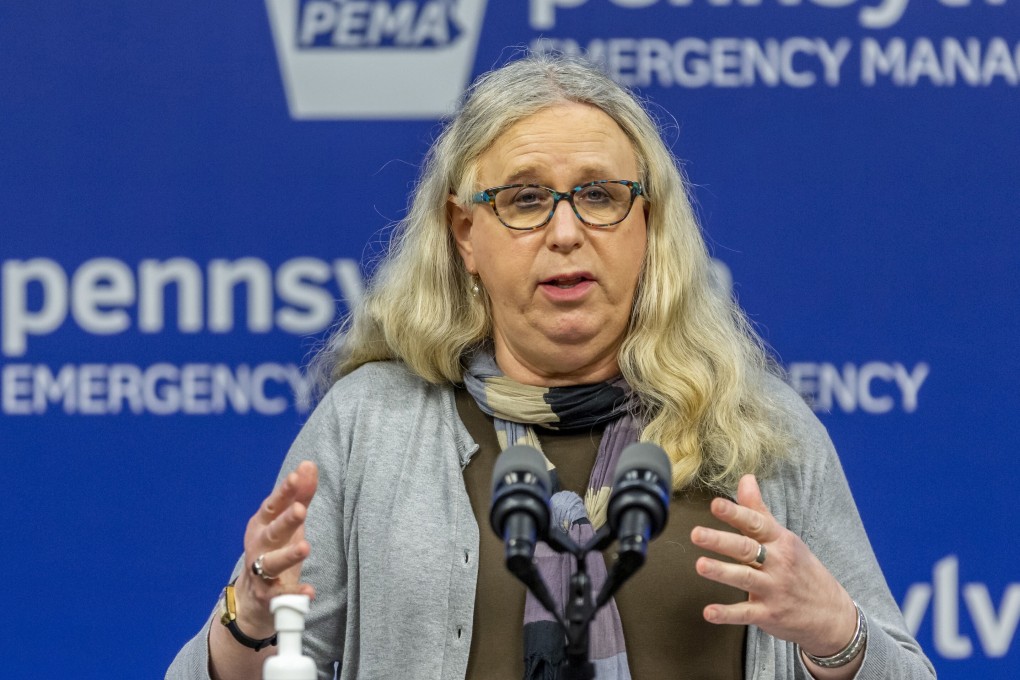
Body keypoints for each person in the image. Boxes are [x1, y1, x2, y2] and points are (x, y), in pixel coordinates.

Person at [167, 53, 936, 680]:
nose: (566, 232)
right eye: (526, 199)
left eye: (599, 195)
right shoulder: (372, 423)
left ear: (648, 225)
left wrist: (836, 636)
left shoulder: (755, 427)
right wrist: (253, 619)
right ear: (465, 233)